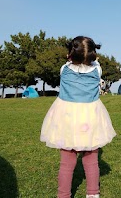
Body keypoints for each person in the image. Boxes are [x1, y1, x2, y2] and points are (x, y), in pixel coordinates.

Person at [40, 36, 116, 198]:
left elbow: (73, 62)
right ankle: (93, 194)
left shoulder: (64, 69)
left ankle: (63, 195)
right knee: (91, 160)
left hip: (67, 118)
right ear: (93, 55)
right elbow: (94, 63)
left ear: (70, 54)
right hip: (90, 119)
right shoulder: (97, 70)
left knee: (66, 163)